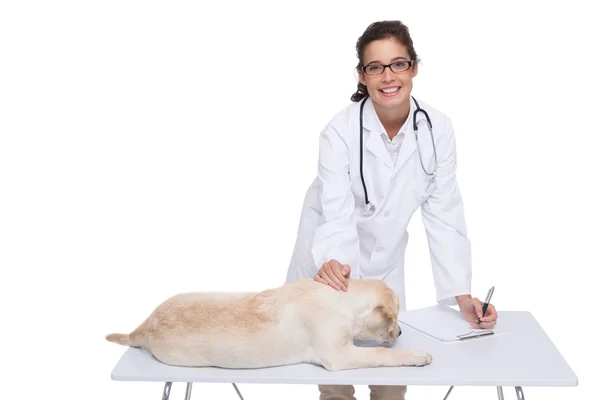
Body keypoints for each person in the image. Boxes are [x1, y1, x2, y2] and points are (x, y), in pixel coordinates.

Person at [284, 20, 498, 400]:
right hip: (329, 259)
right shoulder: (339, 131)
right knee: (333, 371)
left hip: (385, 262)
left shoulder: (438, 129)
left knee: (392, 374)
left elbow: (444, 211)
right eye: (375, 67)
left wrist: (461, 294)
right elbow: (336, 208)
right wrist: (336, 263)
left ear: (414, 67)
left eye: (398, 64)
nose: (388, 76)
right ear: (361, 76)